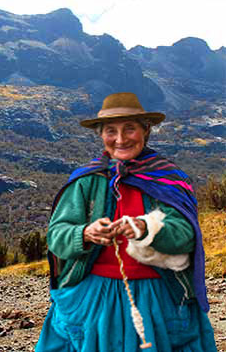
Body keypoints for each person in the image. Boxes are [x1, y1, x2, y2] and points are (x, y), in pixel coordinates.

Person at [35, 92, 217, 352]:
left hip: (157, 298)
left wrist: (147, 228)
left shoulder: (168, 180)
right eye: (111, 131)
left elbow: (186, 236)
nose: (120, 139)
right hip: (93, 297)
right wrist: (84, 233)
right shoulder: (87, 181)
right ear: (101, 135)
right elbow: (57, 236)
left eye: (129, 128)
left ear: (146, 130)